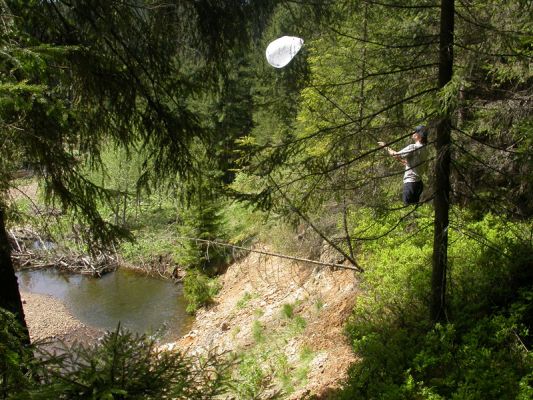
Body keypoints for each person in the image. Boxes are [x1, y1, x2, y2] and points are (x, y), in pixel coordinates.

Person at [378, 125, 429, 205]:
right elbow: (413, 164)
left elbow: (396, 155)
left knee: (407, 208)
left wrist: (386, 147)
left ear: (419, 135)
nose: (413, 133)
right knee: (413, 211)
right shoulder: (425, 149)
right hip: (419, 184)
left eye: (415, 131)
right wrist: (402, 161)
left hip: (410, 184)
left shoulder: (413, 147)